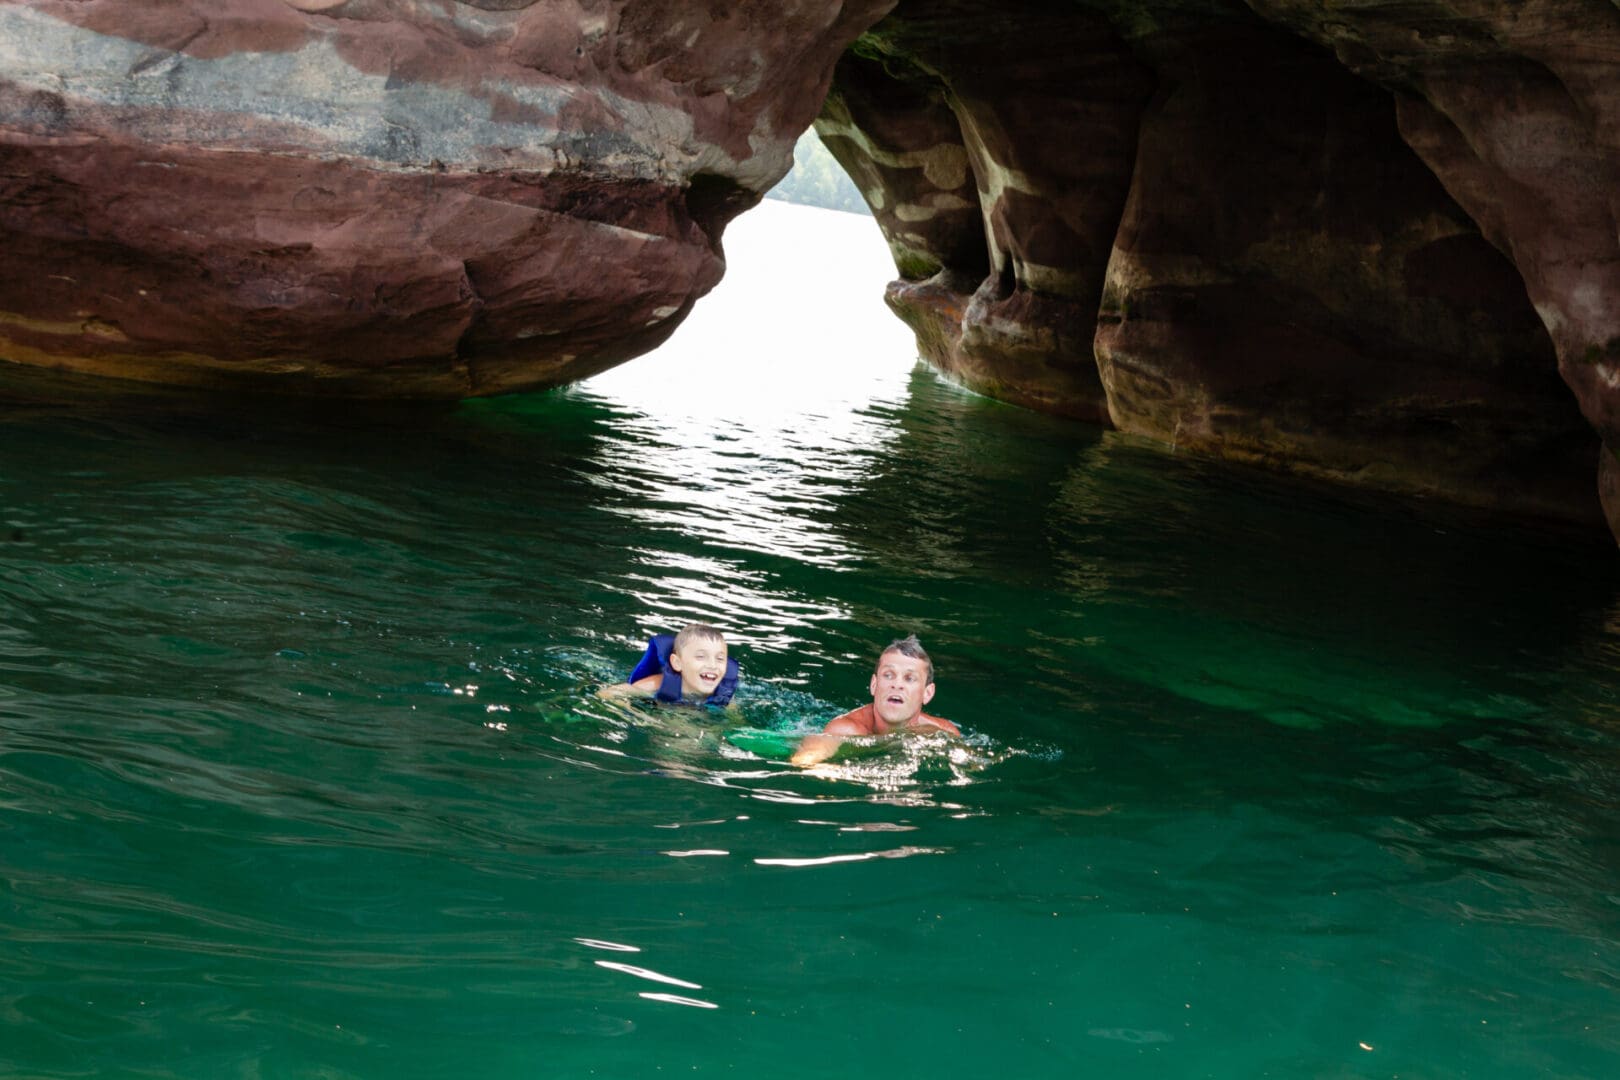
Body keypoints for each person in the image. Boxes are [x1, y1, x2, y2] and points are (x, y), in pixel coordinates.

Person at [790, 634, 961, 766]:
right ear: (874, 684)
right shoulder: (846, 730)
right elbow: (804, 762)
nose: (897, 684)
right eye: (888, 675)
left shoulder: (943, 732)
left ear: (927, 693)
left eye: (909, 678)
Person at [598, 622, 739, 707]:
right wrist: (637, 716)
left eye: (720, 659)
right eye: (701, 656)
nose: (712, 665)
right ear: (677, 663)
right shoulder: (656, 684)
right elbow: (607, 693)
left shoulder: (724, 694)